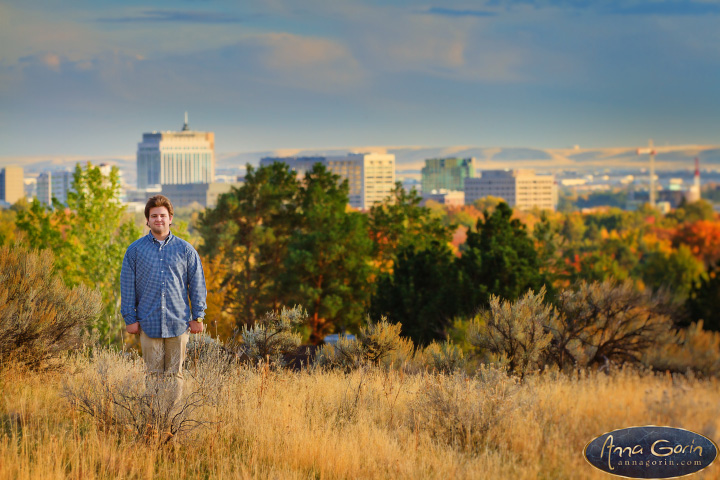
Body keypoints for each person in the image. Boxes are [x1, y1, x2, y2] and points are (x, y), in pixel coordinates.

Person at [120, 194, 207, 407]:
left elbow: (196, 284)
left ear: (170, 219)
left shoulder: (186, 250)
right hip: (148, 323)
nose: (158, 219)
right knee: (153, 375)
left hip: (178, 323)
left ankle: (171, 417)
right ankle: (155, 417)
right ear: (147, 221)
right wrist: (129, 318)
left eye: (162, 215)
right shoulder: (135, 251)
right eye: (154, 216)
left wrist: (198, 316)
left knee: (175, 375)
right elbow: (127, 286)